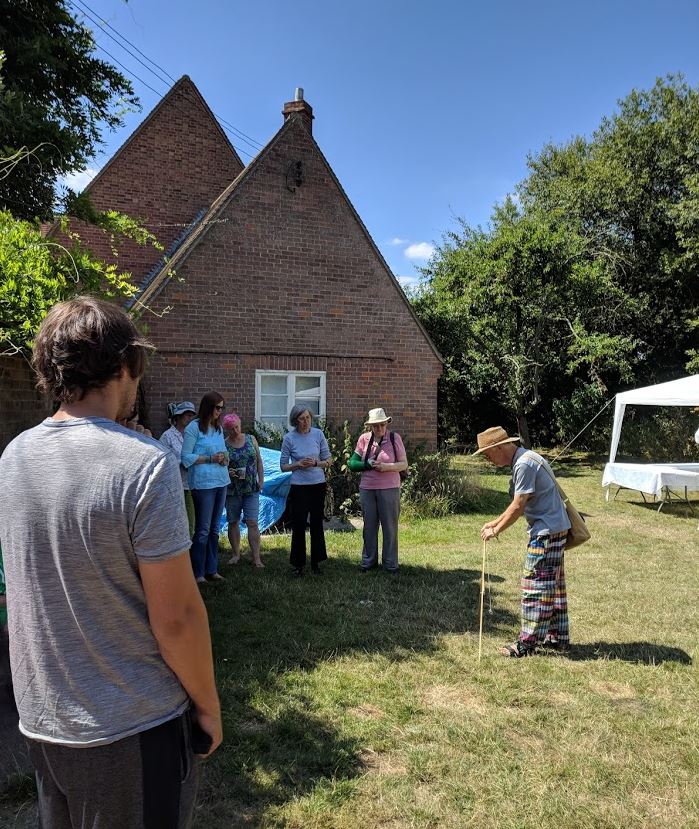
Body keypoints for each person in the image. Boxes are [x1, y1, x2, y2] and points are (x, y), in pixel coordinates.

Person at [0, 296, 221, 828]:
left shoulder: (12, 458)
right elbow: (177, 618)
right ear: (124, 367)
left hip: (44, 720)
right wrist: (209, 707)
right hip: (131, 728)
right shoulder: (145, 466)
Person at [476, 426, 571, 658]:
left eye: (487, 454)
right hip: (553, 529)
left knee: (535, 586)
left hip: (546, 532)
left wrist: (496, 530)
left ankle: (526, 644)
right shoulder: (526, 458)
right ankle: (556, 638)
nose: (488, 460)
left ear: (499, 447)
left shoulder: (523, 464)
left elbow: (519, 506)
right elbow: (518, 504)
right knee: (552, 587)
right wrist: (495, 522)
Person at [348, 408, 408, 573]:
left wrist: (386, 467)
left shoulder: (395, 438)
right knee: (369, 526)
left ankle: (390, 564)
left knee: (390, 527)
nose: (379, 429)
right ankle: (368, 562)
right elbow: (352, 464)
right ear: (370, 426)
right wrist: (367, 464)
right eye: (375, 426)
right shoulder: (364, 439)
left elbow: (403, 464)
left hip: (390, 488)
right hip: (367, 488)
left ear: (386, 423)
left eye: (382, 425)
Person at [182, 392, 229, 584]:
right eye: (217, 407)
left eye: (222, 408)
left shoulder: (218, 429)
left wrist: (225, 457)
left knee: (215, 529)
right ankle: (198, 572)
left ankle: (212, 569)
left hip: (221, 481)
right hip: (203, 484)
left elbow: (224, 451)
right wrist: (210, 458)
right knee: (203, 529)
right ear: (208, 407)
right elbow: (186, 457)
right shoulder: (193, 428)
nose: (220, 411)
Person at [280, 405, 332, 575]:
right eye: (301, 419)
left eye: (308, 418)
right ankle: (298, 564)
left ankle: (317, 562)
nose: (305, 421)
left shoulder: (318, 434)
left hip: (318, 484)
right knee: (299, 524)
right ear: (295, 420)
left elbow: (329, 460)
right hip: (299, 486)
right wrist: (298, 464)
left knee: (317, 523)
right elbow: (283, 466)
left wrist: (316, 463)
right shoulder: (289, 438)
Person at [222, 413, 265, 568]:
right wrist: (228, 472)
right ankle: (236, 554)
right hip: (232, 489)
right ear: (226, 430)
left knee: (252, 522)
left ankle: (256, 558)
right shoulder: (224, 444)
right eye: (231, 429)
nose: (235, 431)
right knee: (233, 521)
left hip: (251, 487)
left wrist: (261, 480)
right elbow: (221, 466)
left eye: (237, 427)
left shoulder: (251, 439)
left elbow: (259, 461)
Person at [160, 401, 198, 537]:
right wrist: (182, 462)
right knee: (179, 520)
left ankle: (190, 552)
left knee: (192, 521)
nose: (189, 419)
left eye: (191, 416)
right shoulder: (167, 436)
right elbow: (162, 461)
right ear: (178, 417)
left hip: (193, 483)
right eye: (187, 415)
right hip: (176, 485)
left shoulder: (192, 435)